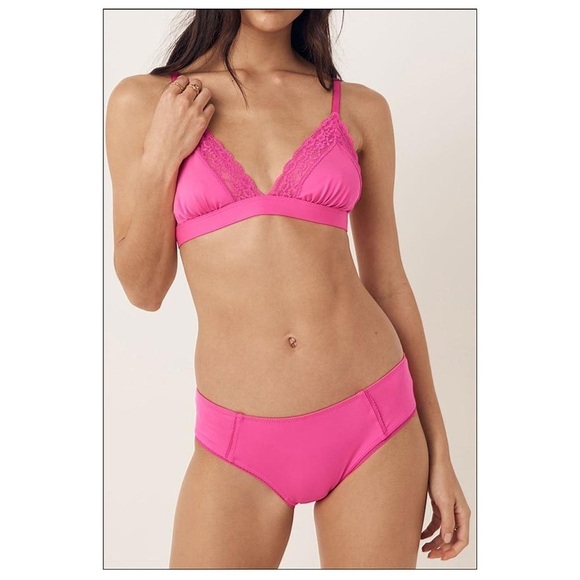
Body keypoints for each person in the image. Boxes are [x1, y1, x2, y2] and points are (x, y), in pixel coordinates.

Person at [105, 9, 471, 569]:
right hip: (236, 441)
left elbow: (389, 282)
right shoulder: (145, 102)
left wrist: (440, 453)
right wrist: (161, 157)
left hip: (375, 422)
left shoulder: (360, 108)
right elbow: (144, 290)